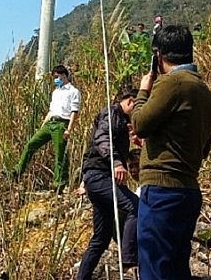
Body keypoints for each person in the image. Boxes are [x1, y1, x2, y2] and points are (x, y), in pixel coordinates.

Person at [131, 25, 211, 280]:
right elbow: (202, 149)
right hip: (187, 192)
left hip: (161, 193)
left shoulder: (172, 83)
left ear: (158, 57)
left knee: (154, 270)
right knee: (176, 269)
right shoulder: (204, 92)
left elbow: (139, 123)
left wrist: (143, 90)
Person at [76, 88, 139, 280]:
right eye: (137, 105)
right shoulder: (111, 114)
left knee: (101, 239)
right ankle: (129, 258)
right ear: (129, 101)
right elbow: (102, 139)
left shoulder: (123, 121)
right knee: (135, 206)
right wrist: (117, 162)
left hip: (97, 178)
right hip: (99, 176)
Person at [12, 65, 80, 193]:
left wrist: (69, 129)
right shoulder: (55, 92)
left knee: (60, 154)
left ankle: (59, 183)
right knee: (31, 144)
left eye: (56, 77)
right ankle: (18, 170)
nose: (55, 79)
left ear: (63, 75)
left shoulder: (73, 91)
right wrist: (43, 126)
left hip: (62, 123)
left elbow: (74, 111)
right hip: (50, 123)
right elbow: (51, 110)